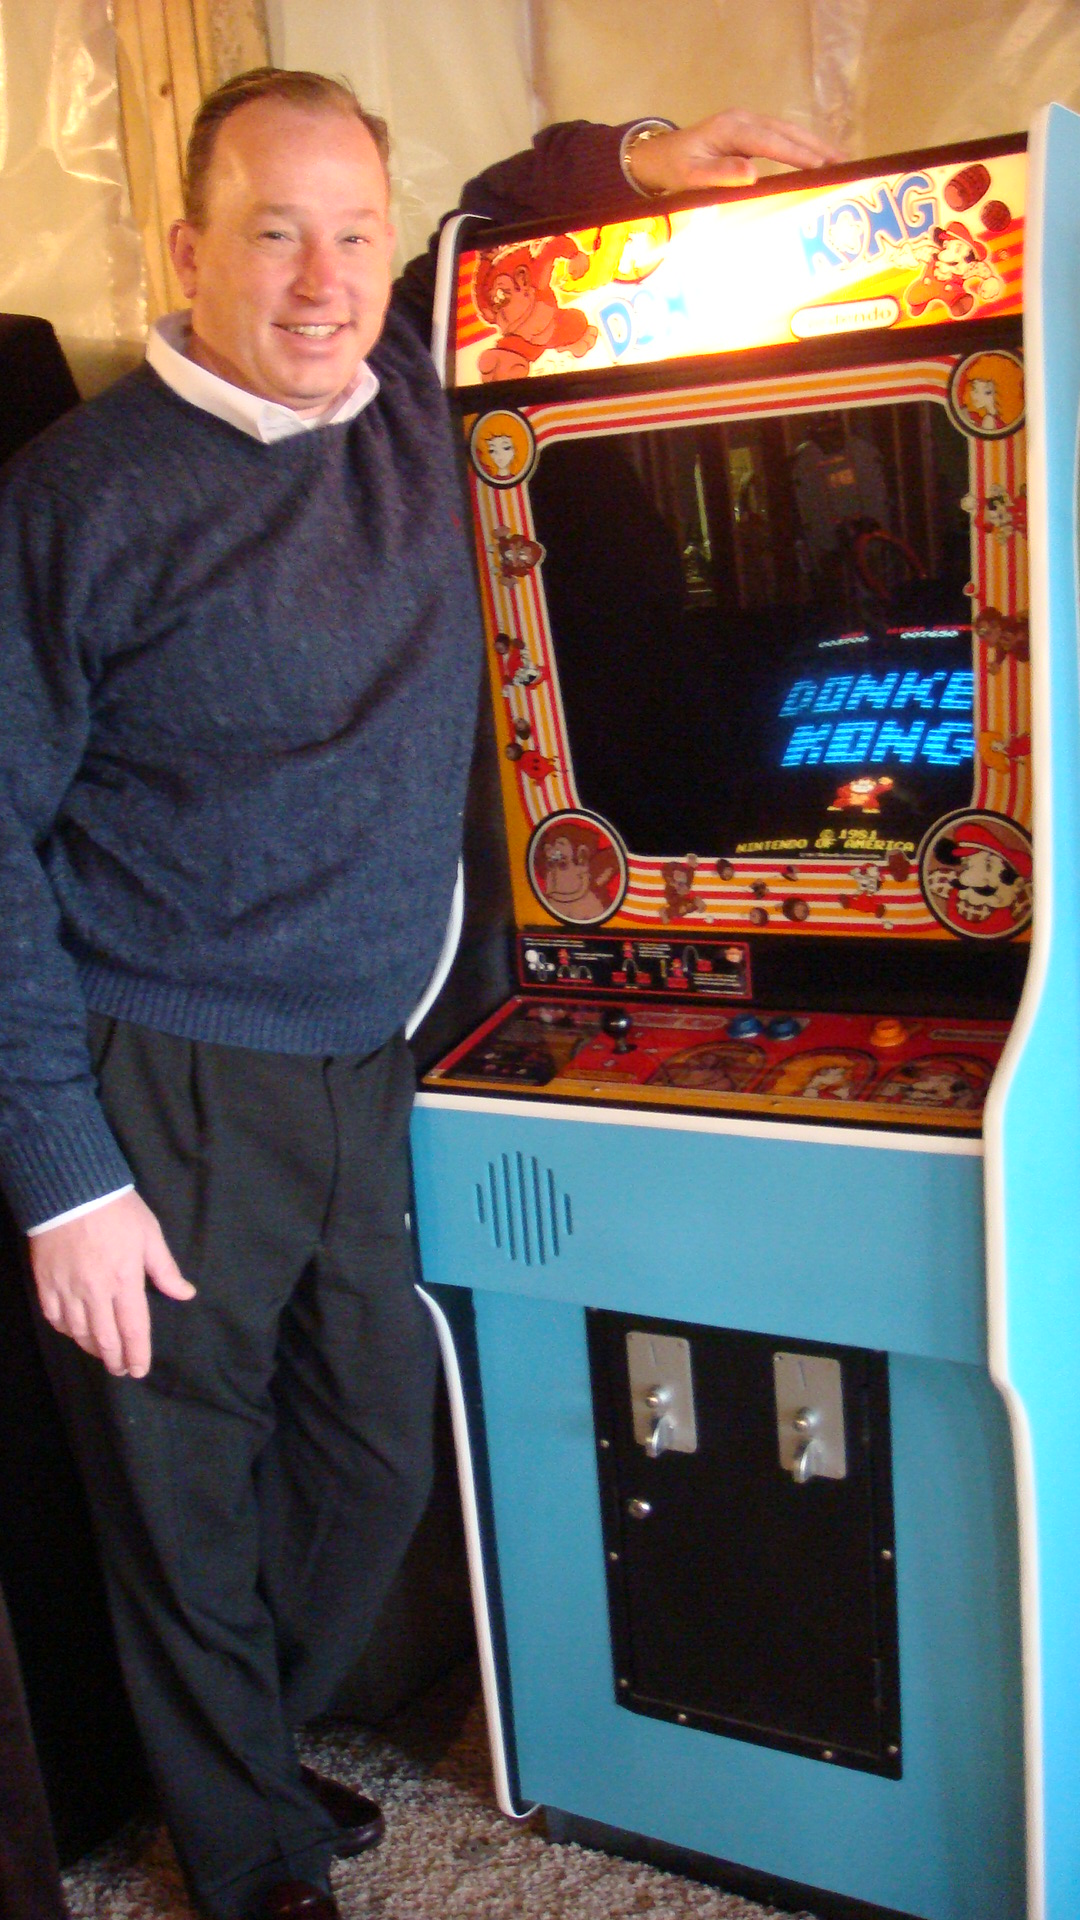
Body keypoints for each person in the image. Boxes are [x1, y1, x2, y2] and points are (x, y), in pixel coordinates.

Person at [0, 68, 839, 1920]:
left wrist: (644, 157)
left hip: (372, 1047)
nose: (319, 279)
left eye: (350, 235)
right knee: (179, 1488)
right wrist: (61, 1167)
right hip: (167, 1068)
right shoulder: (77, 497)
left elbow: (503, 205)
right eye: (272, 233)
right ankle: (244, 1854)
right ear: (187, 248)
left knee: (380, 1437)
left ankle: (228, 1735)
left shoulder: (404, 382)